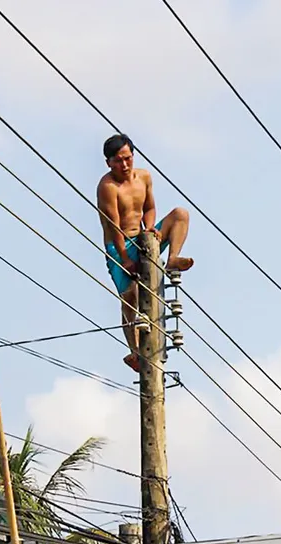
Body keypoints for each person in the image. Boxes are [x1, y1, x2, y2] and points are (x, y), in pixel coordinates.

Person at [96, 133, 194, 371]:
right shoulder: (108, 187)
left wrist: (150, 228)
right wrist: (126, 259)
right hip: (119, 246)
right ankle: (134, 352)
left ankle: (172, 259)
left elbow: (149, 207)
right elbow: (113, 224)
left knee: (180, 214)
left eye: (128, 158)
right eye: (118, 160)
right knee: (130, 296)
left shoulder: (144, 177)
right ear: (109, 162)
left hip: (143, 238)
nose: (125, 165)